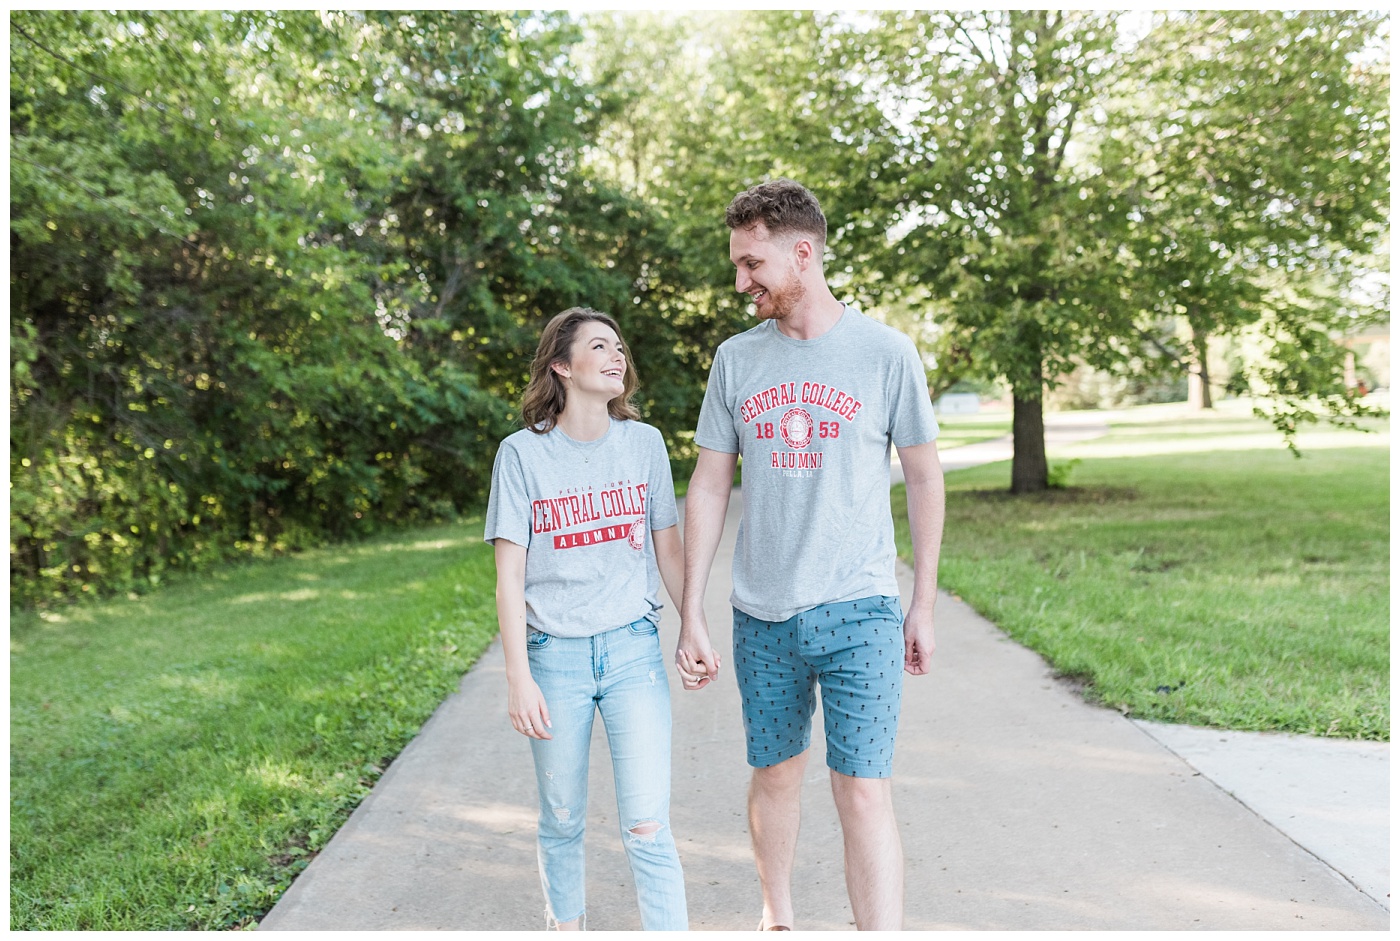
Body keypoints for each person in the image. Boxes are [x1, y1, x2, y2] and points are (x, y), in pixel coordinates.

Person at [674, 179, 946, 931]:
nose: (741, 282)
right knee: (775, 773)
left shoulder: (885, 353)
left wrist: (921, 601)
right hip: (762, 614)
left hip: (861, 607)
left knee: (862, 786)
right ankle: (779, 916)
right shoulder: (735, 361)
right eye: (736, 265)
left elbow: (923, 476)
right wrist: (691, 609)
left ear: (803, 252)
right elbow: (706, 484)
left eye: (751, 263)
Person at [485, 307, 688, 931]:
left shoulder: (644, 443)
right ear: (562, 367)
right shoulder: (521, 455)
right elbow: (510, 576)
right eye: (598, 346)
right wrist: (519, 677)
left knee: (648, 823)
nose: (616, 355)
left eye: (618, 345)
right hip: (554, 658)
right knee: (563, 820)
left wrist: (693, 628)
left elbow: (668, 548)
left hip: (632, 650)